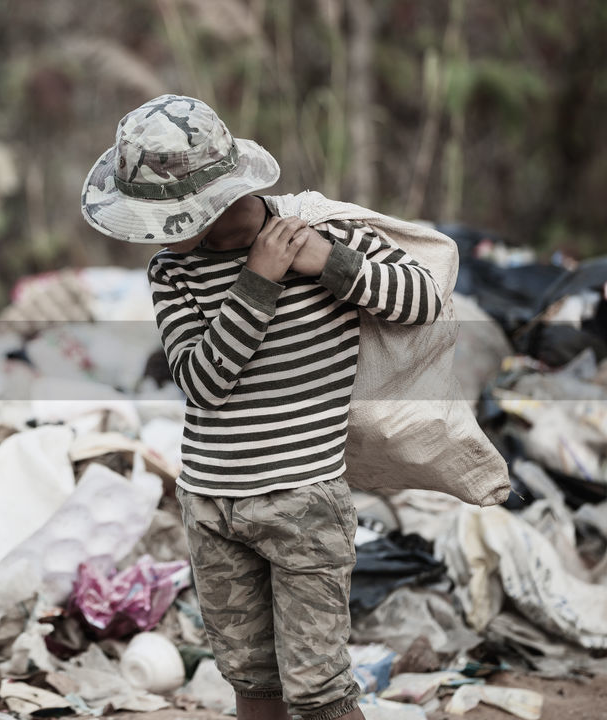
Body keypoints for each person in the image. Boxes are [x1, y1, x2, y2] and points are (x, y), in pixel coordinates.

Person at [80, 94, 443, 720]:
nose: (154, 234)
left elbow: (422, 302)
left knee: (321, 689)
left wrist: (326, 263)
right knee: (252, 680)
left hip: (303, 500)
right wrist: (258, 281)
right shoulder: (173, 272)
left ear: (212, 200)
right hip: (212, 502)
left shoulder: (323, 236)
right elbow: (202, 382)